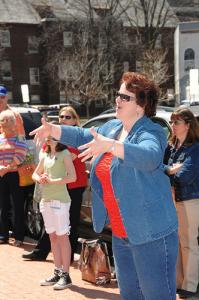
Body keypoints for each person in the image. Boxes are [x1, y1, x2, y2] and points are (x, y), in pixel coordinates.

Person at [30, 72, 178, 300]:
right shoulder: (112, 127)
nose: (117, 99)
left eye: (125, 97)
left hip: (151, 234)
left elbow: (150, 157)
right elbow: (81, 135)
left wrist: (111, 146)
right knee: (130, 296)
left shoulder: (151, 131)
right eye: (118, 94)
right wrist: (53, 130)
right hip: (121, 233)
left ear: (141, 105)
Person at [22, 106, 87, 262]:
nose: (63, 119)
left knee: (69, 222)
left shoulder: (79, 137)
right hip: (54, 186)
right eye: (61, 117)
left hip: (73, 184)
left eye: (67, 117)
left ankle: (68, 257)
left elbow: (70, 156)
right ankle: (41, 252)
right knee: (50, 221)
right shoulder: (54, 135)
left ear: (75, 120)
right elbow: (46, 154)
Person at [32, 135, 76, 290]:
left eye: (51, 137)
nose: (48, 139)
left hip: (61, 201)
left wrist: (53, 180)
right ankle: (57, 272)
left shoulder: (64, 154)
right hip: (46, 200)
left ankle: (66, 274)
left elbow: (72, 177)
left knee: (63, 237)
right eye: (46, 137)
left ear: (59, 139)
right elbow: (35, 174)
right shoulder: (44, 154)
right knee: (53, 237)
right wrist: (40, 178)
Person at [164, 107, 199, 299]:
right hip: (171, 200)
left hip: (189, 200)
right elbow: (159, 169)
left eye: (176, 122)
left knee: (189, 243)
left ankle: (190, 284)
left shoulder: (195, 148)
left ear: (187, 124)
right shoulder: (171, 146)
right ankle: (178, 282)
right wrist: (170, 170)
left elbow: (185, 177)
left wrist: (168, 172)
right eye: (171, 121)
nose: (172, 125)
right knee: (176, 243)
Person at [0, 110, 28, 246]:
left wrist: (7, 168)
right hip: (1, 175)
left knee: (17, 206)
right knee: (3, 206)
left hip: (15, 175)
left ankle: (19, 237)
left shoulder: (19, 137)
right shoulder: (0, 138)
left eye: (7, 120)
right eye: (2, 120)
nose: (3, 123)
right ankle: (3, 235)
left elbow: (21, 155)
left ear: (13, 123)